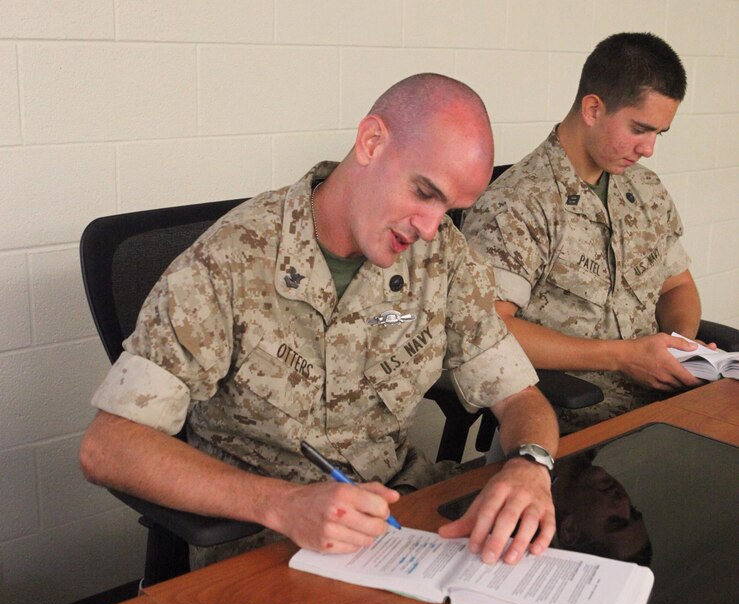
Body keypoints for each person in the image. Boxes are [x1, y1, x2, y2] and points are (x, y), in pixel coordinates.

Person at [80, 73, 558, 569]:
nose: (431, 227)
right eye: (423, 192)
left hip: (400, 522)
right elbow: (109, 447)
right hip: (267, 542)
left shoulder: (443, 257)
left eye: (451, 209)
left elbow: (520, 396)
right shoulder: (231, 261)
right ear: (371, 141)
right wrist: (281, 504)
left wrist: (531, 464)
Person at [462, 33, 708, 434]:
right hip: (574, 419)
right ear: (593, 108)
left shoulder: (645, 189)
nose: (648, 149)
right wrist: (623, 357)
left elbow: (676, 285)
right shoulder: (518, 202)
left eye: (658, 134)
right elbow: (487, 328)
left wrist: (678, 348)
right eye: (640, 129)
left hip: (665, 404)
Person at [552, 451, 652, 565]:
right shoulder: (599, 436)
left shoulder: (529, 469)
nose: (623, 501)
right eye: (632, 510)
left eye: (615, 522)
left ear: (571, 529)